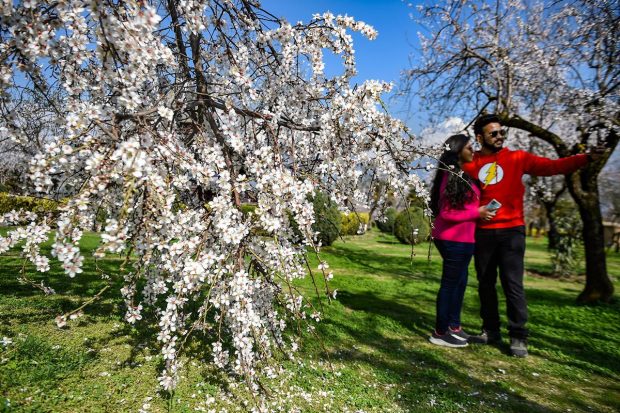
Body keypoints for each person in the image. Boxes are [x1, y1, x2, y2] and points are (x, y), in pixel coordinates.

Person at [462, 113, 601, 357]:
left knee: (512, 283)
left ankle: (518, 336)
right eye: (493, 133)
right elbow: (455, 188)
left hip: (512, 232)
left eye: (501, 132)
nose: (499, 136)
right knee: (485, 283)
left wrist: (586, 158)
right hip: (483, 233)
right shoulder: (470, 163)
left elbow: (553, 167)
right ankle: (490, 331)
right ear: (479, 137)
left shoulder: (518, 158)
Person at [428, 134, 497, 348]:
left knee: (460, 282)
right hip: (452, 238)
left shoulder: (466, 175)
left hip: (465, 239)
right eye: (469, 147)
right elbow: (447, 213)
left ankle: (453, 327)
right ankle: (440, 332)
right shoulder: (451, 176)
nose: (473, 150)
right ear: (457, 151)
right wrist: (478, 212)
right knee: (450, 284)